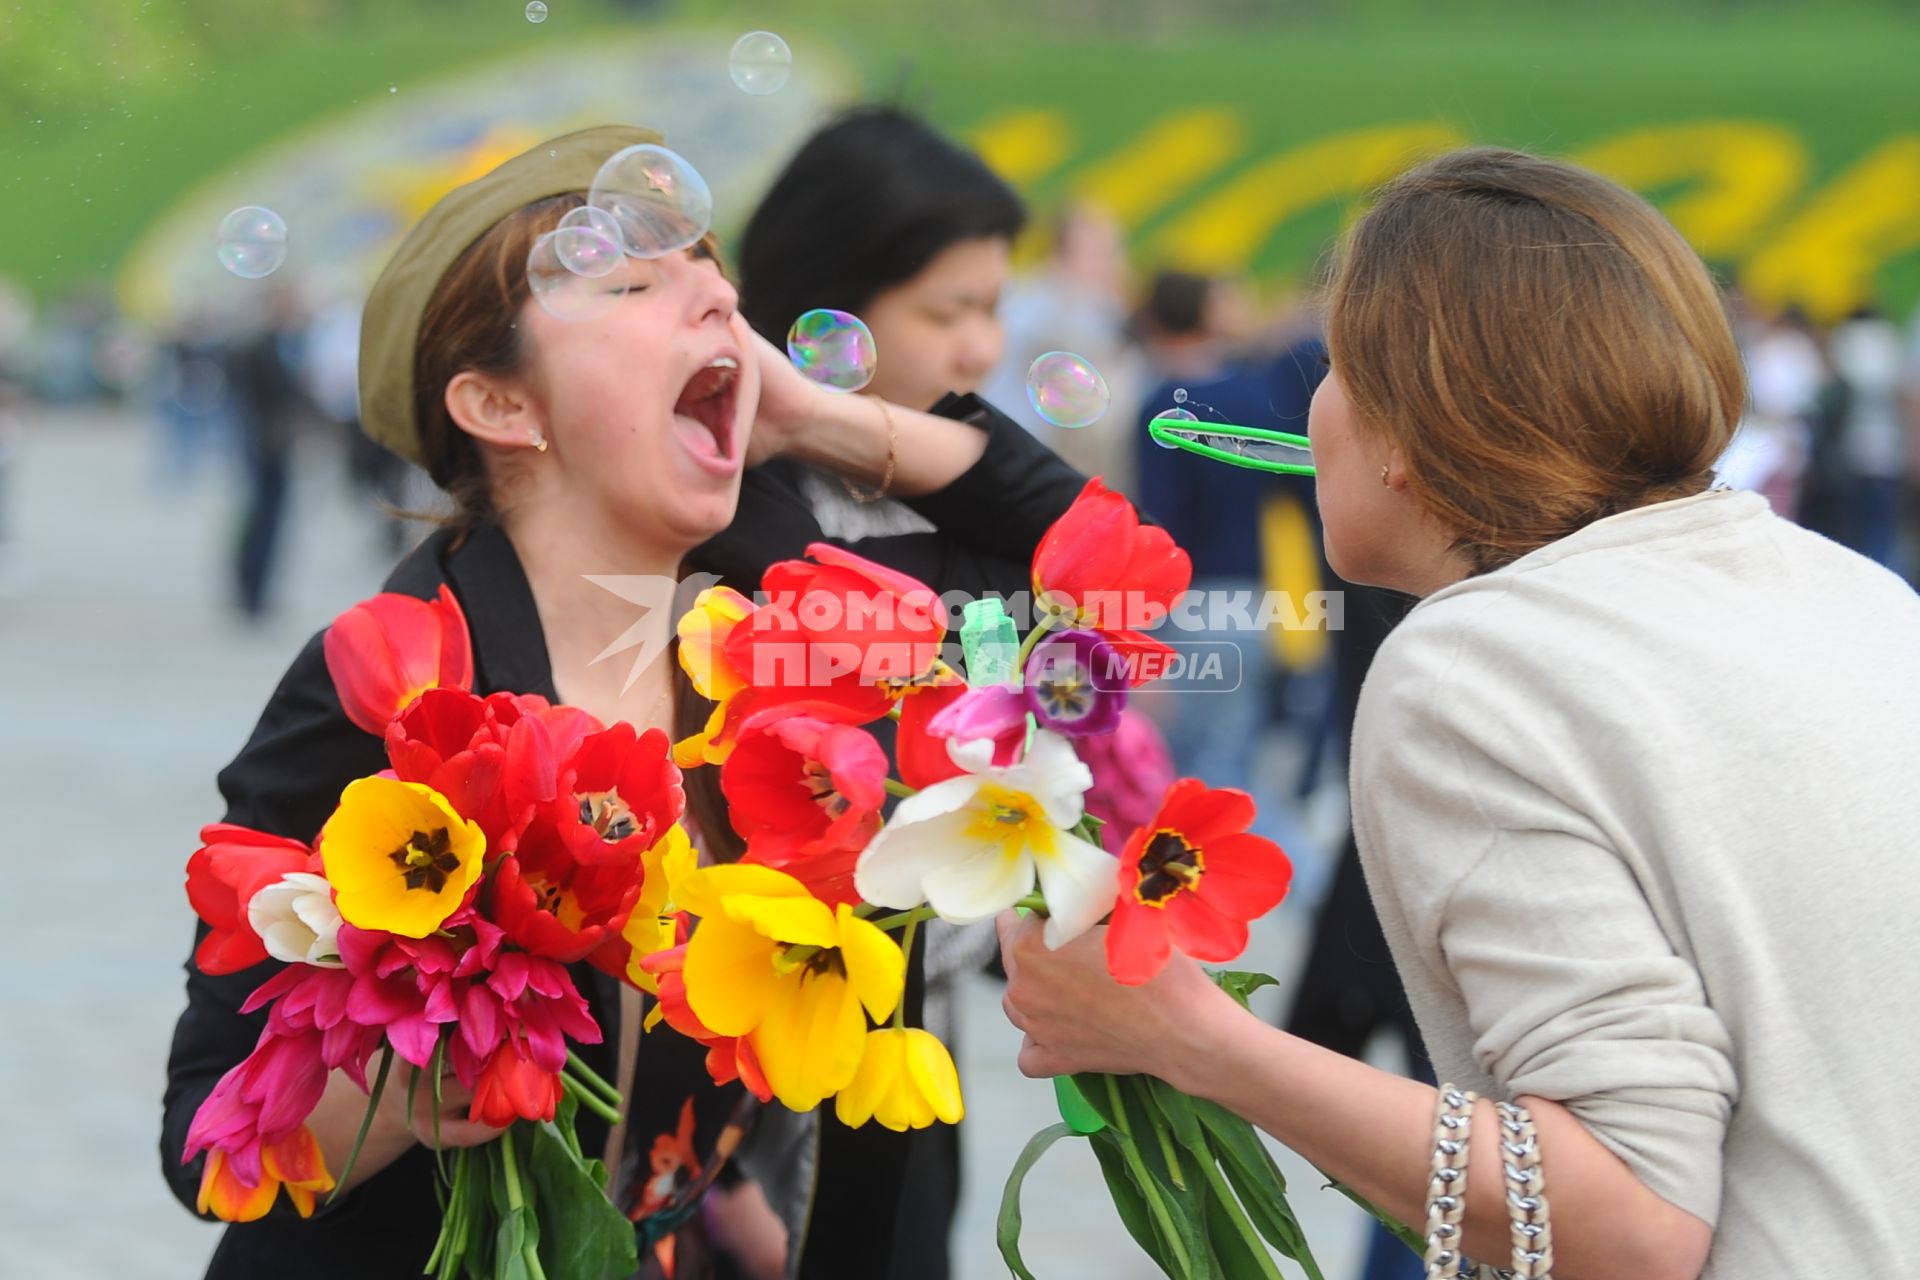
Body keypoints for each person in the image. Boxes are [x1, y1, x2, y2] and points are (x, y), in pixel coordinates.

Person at [161, 124, 1094, 1280]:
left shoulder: (793, 629)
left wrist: (817, 418)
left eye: (718, 280)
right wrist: (406, 1091)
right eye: (634, 282)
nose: (712, 297)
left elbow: (1097, 584)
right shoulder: (393, 680)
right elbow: (204, 1139)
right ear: (501, 405)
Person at [998, 148, 1920, 1277]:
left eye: (1337, 366)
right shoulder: (1853, 589)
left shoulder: (1475, 661)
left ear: (1407, 429)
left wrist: (1183, 1034)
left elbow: (1625, 1216)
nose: (1316, 405)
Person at [722, 104, 1126, 1279]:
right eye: (947, 312)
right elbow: (850, 629)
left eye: (995, 307)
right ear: (825, 310)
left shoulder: (955, 469)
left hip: (911, 1017)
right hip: (750, 1024)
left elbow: (1088, 557)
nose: (981, 351)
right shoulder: (727, 488)